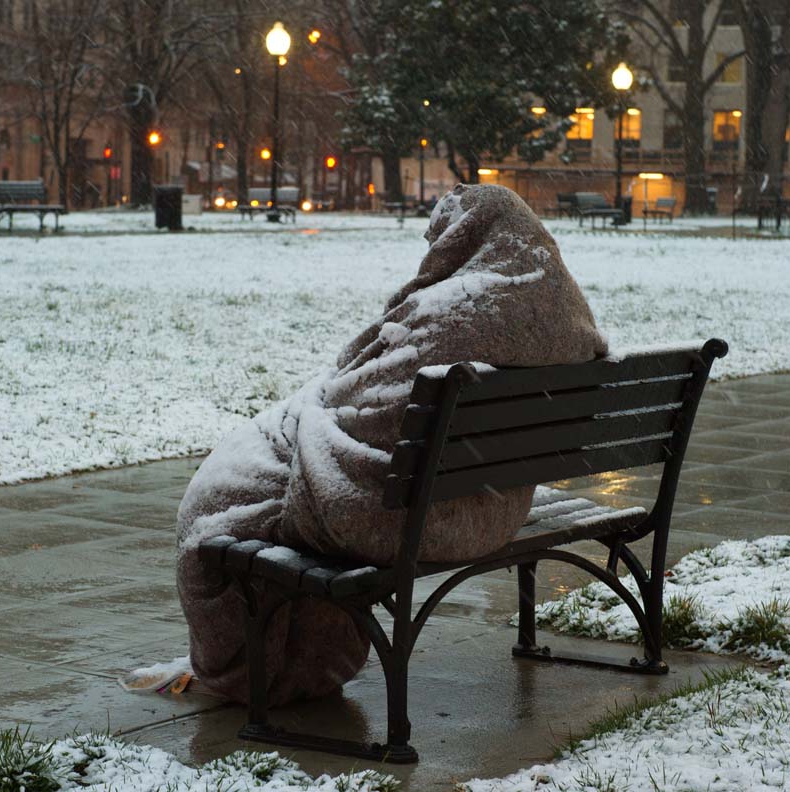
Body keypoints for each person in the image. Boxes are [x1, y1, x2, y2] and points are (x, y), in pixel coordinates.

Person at [176, 183, 608, 705]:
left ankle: (260, 665)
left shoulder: (453, 314)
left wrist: (312, 418)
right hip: (492, 501)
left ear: (462, 238)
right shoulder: (568, 317)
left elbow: (353, 394)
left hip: (416, 515)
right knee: (253, 483)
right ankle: (291, 656)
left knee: (224, 510)